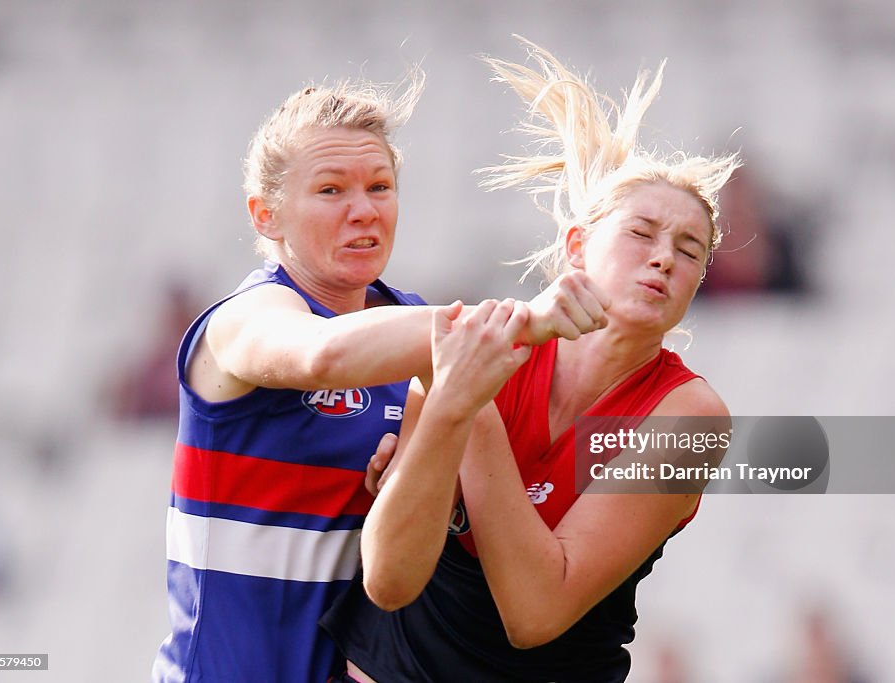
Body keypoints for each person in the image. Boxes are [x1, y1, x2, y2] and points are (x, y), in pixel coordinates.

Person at [151, 71, 608, 683]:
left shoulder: (421, 340)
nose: (363, 210)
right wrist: (521, 319)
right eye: (331, 190)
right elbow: (322, 356)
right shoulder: (244, 320)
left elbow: (404, 571)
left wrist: (424, 477)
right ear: (266, 216)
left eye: (380, 186)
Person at [321, 39, 741, 682]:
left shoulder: (690, 416)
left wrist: (470, 414)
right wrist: (429, 452)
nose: (664, 258)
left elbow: (536, 612)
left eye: (690, 251)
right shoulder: (482, 342)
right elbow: (388, 576)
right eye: (641, 233)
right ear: (577, 247)